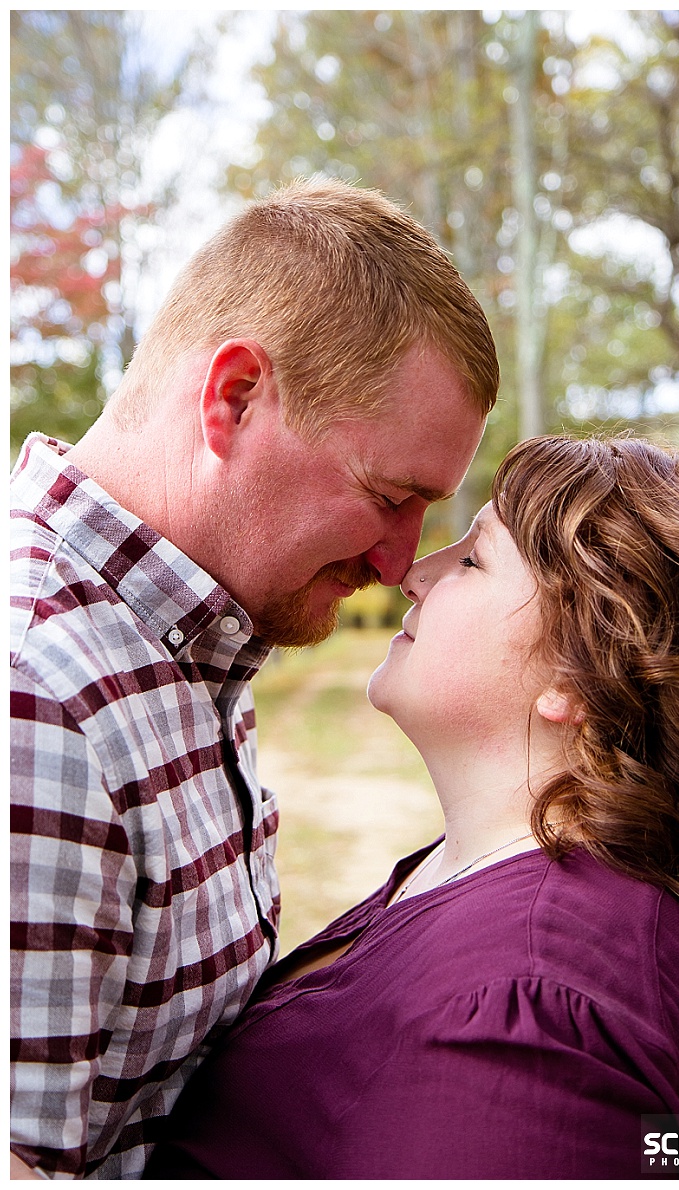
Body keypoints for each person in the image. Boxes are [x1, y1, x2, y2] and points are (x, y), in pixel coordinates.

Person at [10, 177, 498, 1180]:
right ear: (233, 396)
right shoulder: (38, 699)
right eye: (386, 495)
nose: (400, 561)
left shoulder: (185, 640)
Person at [146, 435, 679, 1181]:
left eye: (473, 558)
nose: (415, 574)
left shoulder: (536, 1010)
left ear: (583, 674)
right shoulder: (551, 898)